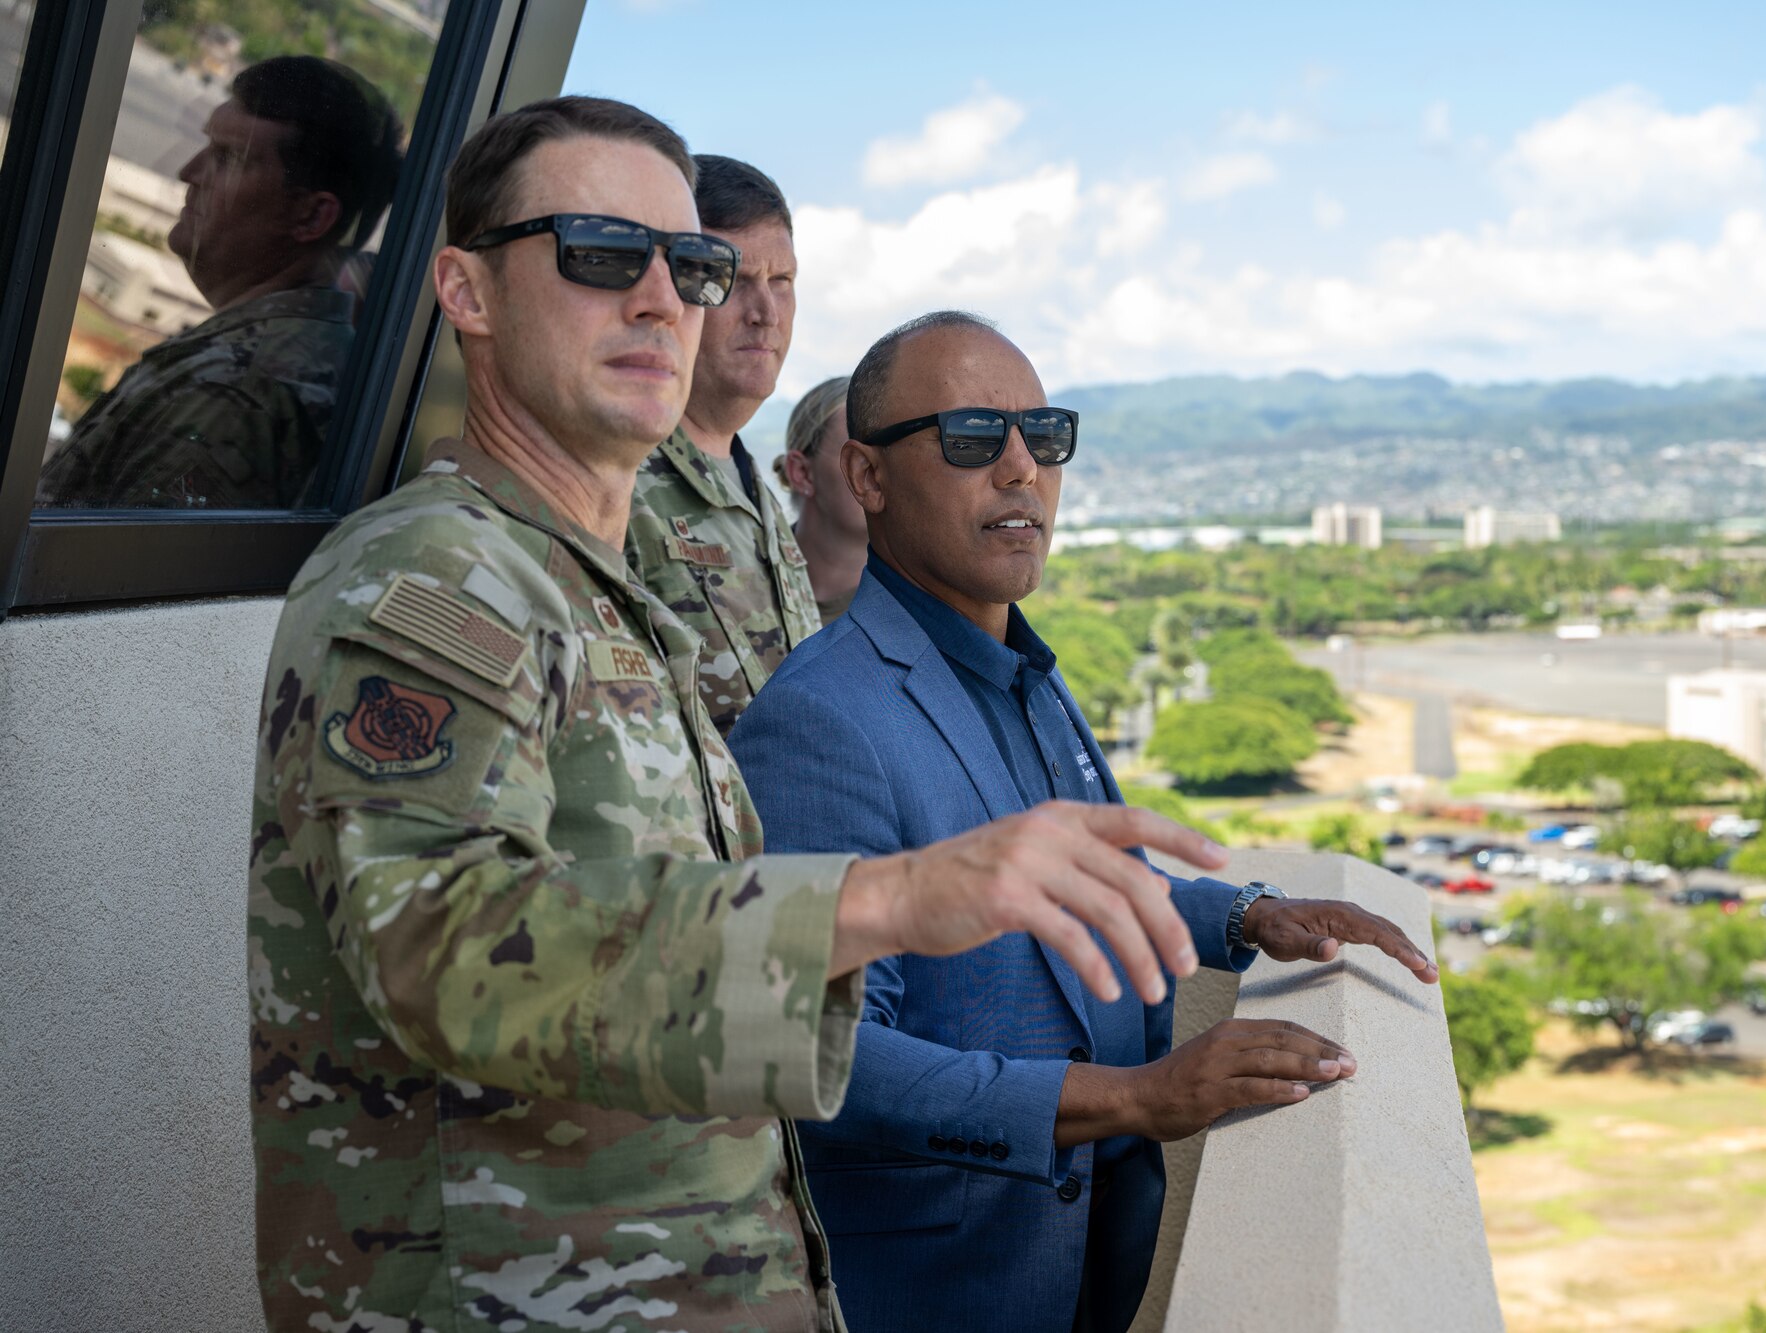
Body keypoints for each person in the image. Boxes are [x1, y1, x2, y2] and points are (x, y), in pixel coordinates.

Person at [248, 102, 1228, 1333]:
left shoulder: (613, 604)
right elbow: (432, 941)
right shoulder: (434, 582)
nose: (666, 300)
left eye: (691, 265)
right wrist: (888, 899)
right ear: (467, 290)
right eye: (601, 254)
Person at [728, 311, 1440, 1333]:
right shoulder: (822, 719)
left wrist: (1244, 918)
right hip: (938, 1294)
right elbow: (829, 1061)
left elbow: (1070, 890)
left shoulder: (1022, 672)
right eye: (972, 438)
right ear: (867, 476)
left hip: (1085, 1270)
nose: (1020, 469)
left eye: (1044, 435)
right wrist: (1136, 1096)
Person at [39, 55, 403, 509]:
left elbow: (98, 575)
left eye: (228, 158)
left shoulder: (234, 393)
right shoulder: (289, 355)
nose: (188, 174)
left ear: (311, 215)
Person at [626, 154, 817, 736]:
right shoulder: (620, 483)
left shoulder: (754, 487)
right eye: (728, 280)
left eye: (781, 282)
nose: (765, 314)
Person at [773, 376, 869, 622]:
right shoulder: (738, 585)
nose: (885, 471)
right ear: (802, 473)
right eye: (858, 457)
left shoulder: (923, 606)